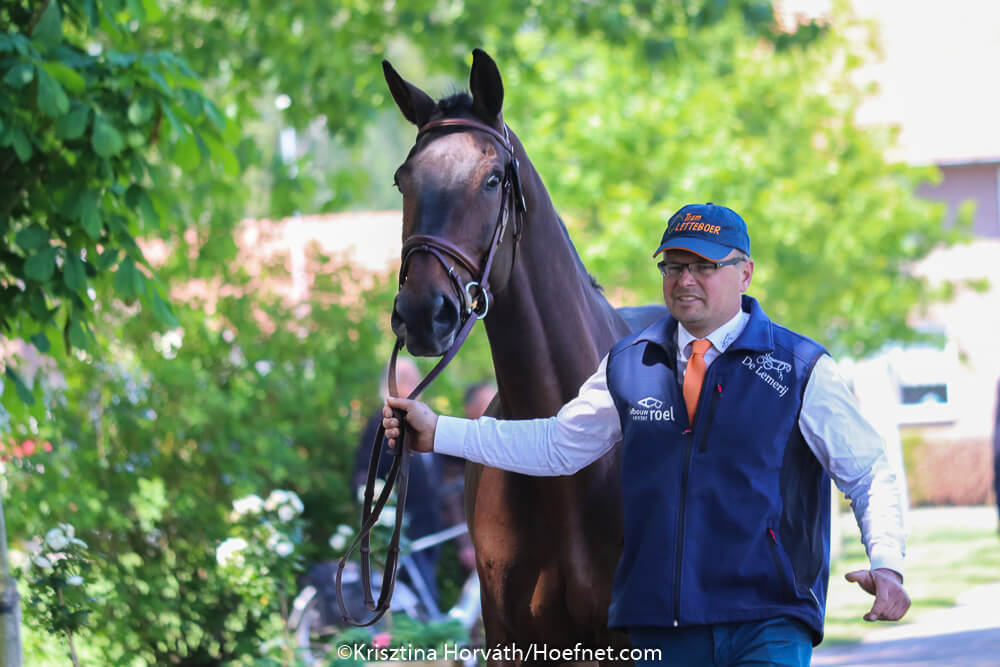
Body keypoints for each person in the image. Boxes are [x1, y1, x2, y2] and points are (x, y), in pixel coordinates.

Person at [381, 203, 911, 666]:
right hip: (661, 629)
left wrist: (886, 562)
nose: (685, 280)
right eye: (674, 266)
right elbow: (557, 446)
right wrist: (440, 432)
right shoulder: (629, 364)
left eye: (705, 266)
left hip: (766, 621)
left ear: (745, 273)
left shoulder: (798, 367)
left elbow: (867, 472)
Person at [353, 357, 443, 604]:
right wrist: (378, 512)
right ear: (392, 385)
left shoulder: (426, 421)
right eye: (409, 380)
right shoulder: (382, 424)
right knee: (416, 598)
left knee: (425, 594)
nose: (418, 384)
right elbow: (364, 475)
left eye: (416, 378)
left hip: (429, 525)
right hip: (401, 531)